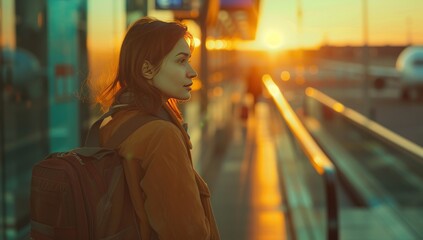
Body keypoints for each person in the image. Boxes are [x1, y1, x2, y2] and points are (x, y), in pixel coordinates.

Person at [92, 16, 220, 239]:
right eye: (181, 61)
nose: (192, 72)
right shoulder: (162, 135)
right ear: (148, 70)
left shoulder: (112, 122)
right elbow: (186, 233)